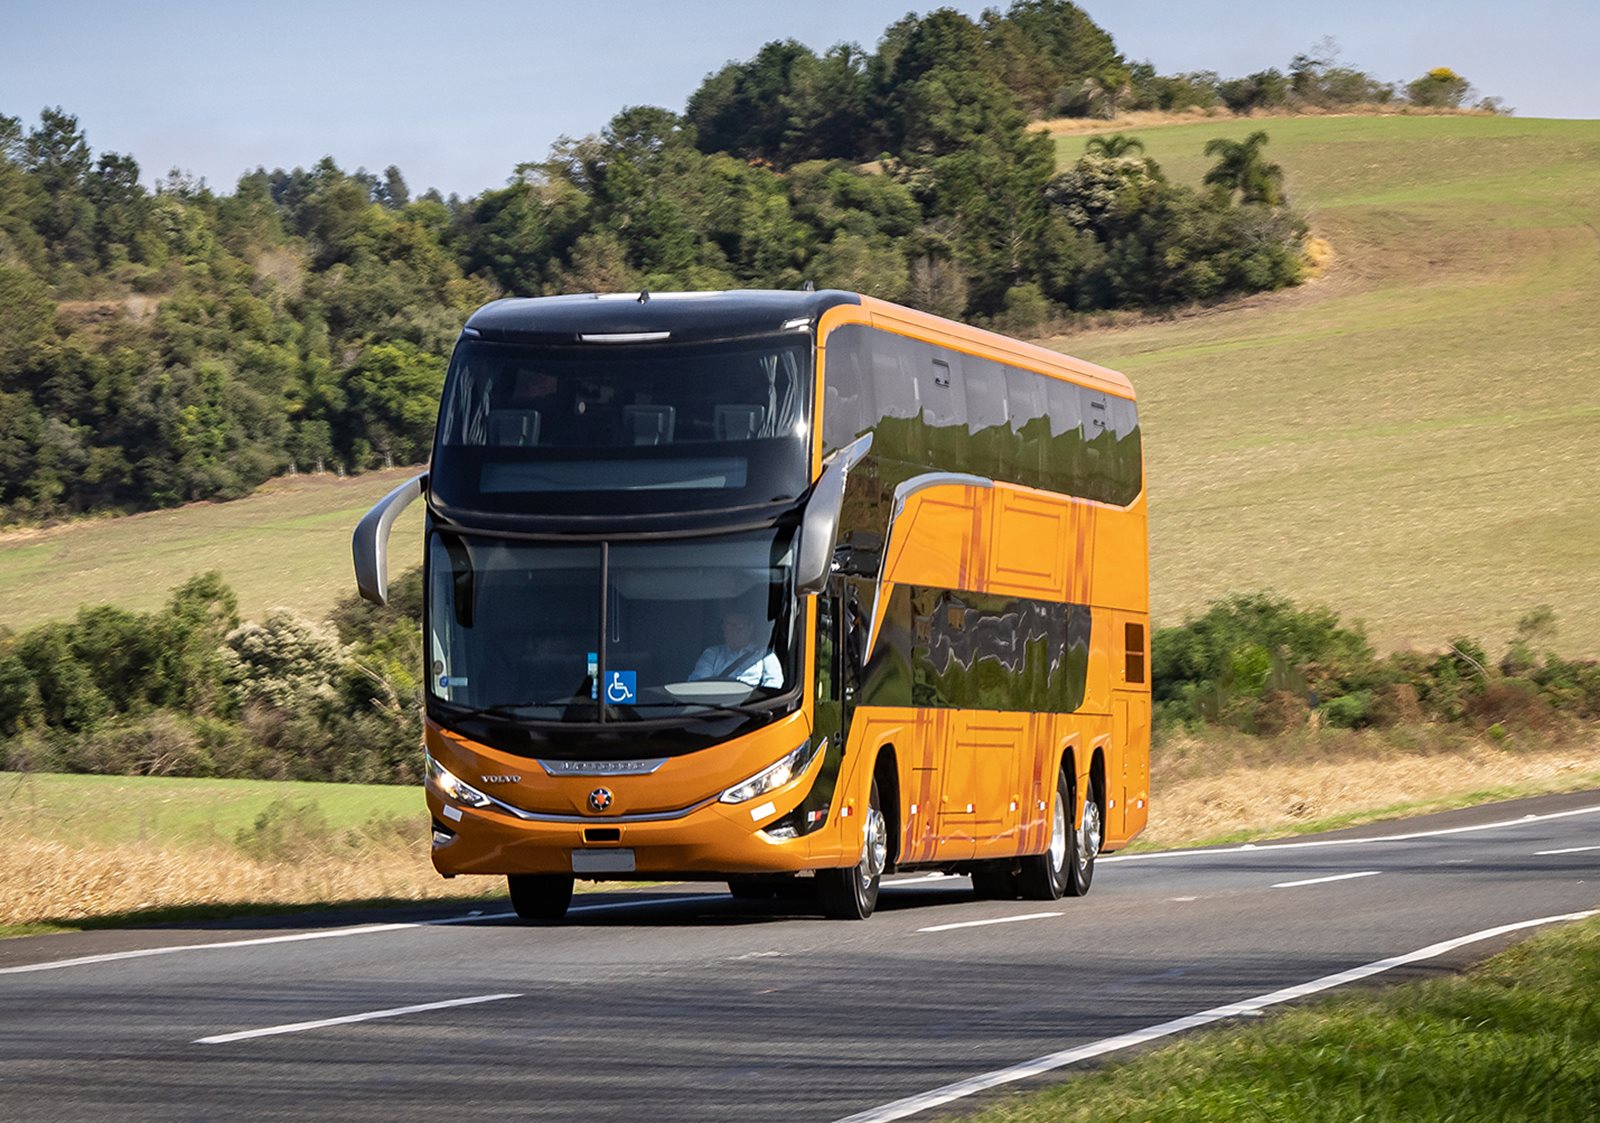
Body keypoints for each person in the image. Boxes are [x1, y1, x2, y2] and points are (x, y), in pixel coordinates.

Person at [689, 609, 783, 687]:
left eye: (740, 627)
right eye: (729, 626)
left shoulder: (765, 655)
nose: (734, 631)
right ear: (723, 629)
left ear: (750, 628)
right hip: (717, 706)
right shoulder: (712, 654)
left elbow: (774, 685)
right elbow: (699, 683)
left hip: (753, 706)